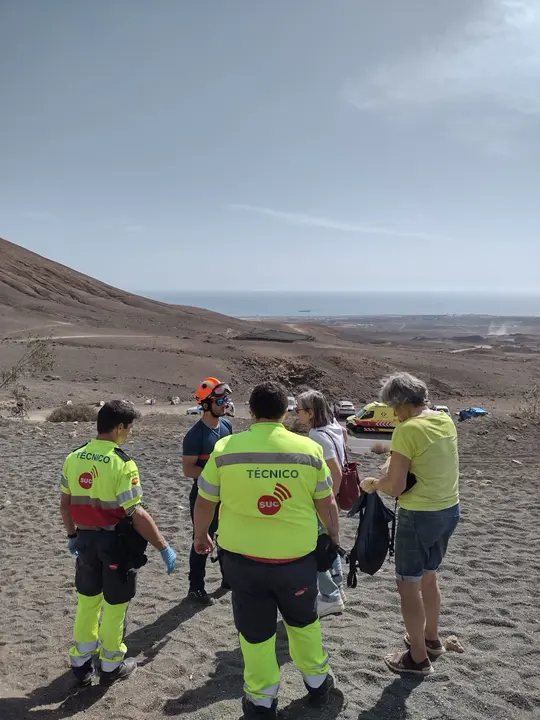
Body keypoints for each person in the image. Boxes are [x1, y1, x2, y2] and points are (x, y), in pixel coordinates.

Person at [193, 382, 340, 718]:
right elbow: (327, 503)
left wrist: (200, 536)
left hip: (242, 564)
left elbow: (205, 501)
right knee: (304, 625)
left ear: (251, 412)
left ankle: (261, 701)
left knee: (255, 633)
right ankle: (318, 685)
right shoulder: (307, 449)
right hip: (296, 562)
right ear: (285, 413)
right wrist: (333, 539)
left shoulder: (227, 448)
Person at [60, 399, 177, 685]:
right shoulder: (122, 463)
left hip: (85, 542)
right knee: (115, 606)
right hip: (115, 544)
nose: (130, 432)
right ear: (120, 427)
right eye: (129, 427)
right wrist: (163, 546)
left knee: (87, 603)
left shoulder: (74, 457)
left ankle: (81, 663)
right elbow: (135, 513)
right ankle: (111, 664)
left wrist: (72, 535)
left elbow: (65, 503)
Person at [360, 372, 460, 677]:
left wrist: (374, 483)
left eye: (394, 407)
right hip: (449, 509)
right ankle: (431, 639)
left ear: (403, 402)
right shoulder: (443, 420)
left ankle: (417, 657)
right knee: (430, 578)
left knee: (407, 585)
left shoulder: (407, 429)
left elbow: (397, 486)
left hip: (418, 515)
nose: (393, 414)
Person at [296, 390, 348, 617]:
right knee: (329, 541)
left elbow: (335, 472)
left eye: (299, 409)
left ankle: (330, 595)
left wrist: (328, 501)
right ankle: (338, 587)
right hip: (329, 498)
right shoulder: (335, 426)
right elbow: (345, 437)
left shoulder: (317, 435)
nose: (296, 413)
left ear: (310, 412)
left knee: (316, 547)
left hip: (322, 498)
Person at [182, 377, 233, 604]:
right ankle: (196, 587)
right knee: (202, 539)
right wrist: (213, 478)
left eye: (226, 399)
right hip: (204, 496)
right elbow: (188, 469)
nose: (225, 403)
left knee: (227, 536)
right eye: (220, 399)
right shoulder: (195, 435)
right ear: (205, 404)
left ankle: (228, 578)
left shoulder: (227, 427)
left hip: (227, 495)